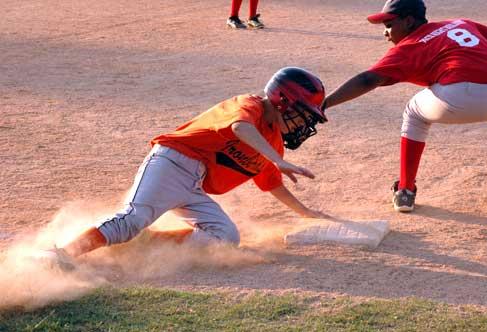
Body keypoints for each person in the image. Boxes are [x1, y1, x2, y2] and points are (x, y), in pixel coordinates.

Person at [37, 67, 329, 270]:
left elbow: (270, 183)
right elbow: (239, 127)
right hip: (172, 162)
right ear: (283, 101)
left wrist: (306, 213)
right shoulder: (248, 104)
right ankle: (62, 255)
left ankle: (149, 242)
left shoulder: (273, 142)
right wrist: (277, 159)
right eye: (303, 113)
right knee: (132, 219)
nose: (304, 123)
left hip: (194, 184)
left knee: (225, 237)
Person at [321, 0, 487, 213]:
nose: (386, 33)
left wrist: (324, 104)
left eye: (389, 24)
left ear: (408, 21)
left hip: (460, 96)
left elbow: (368, 80)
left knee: (413, 113)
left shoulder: (410, 45)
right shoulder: (460, 23)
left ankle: (405, 190)